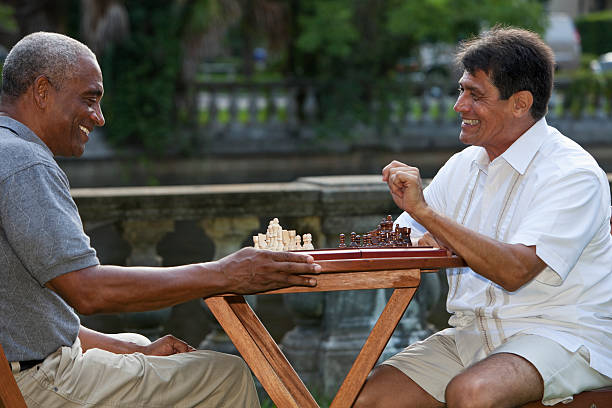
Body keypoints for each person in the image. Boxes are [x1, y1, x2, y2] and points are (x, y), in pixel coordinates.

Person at [0, 32, 321, 407]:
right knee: (225, 376)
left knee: (139, 345)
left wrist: (125, 348)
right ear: (42, 90)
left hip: (30, 366)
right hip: (38, 384)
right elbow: (89, 291)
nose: (99, 118)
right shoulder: (25, 163)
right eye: (90, 99)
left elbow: (28, 318)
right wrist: (224, 273)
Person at [354, 27, 612, 407]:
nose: (459, 105)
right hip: (469, 336)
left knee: (472, 393)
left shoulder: (572, 173)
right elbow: (402, 236)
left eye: (475, 95)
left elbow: (514, 271)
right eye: (461, 90)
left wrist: (426, 214)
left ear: (521, 103)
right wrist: (416, 233)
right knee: (368, 397)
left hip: (561, 336)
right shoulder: (462, 165)